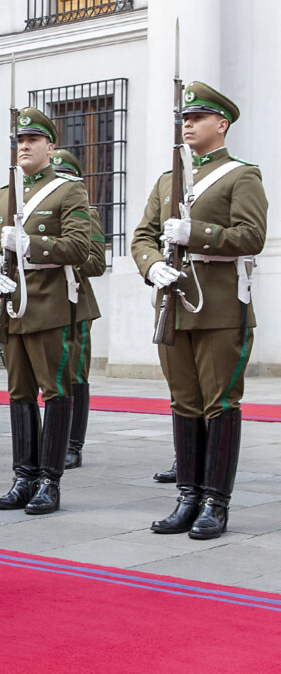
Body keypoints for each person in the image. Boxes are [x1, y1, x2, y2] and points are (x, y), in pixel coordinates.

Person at [133, 81, 266, 540]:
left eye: (197, 118)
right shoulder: (169, 180)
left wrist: (197, 234)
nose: (187, 124)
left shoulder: (241, 176)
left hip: (220, 308)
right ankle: (188, 496)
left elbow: (251, 236)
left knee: (220, 404)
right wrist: (152, 269)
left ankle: (215, 502)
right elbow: (142, 237)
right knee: (184, 403)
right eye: (184, 119)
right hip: (174, 304)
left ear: (221, 124)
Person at [0, 107, 91, 515]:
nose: (24, 146)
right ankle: (24, 476)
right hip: (13, 309)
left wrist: (30, 245)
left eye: (32, 141)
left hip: (51, 306)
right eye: (19, 141)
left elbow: (80, 247)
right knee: (18, 393)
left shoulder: (68, 191)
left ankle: (49, 482)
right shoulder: (5, 195)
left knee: (55, 392)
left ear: (50, 147)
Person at [49, 149, 106, 469]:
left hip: (76, 304)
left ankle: (73, 444)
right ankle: (54, 439)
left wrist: (58, 251)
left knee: (75, 374)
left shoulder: (88, 212)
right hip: (44, 303)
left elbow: (96, 262)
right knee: (52, 375)